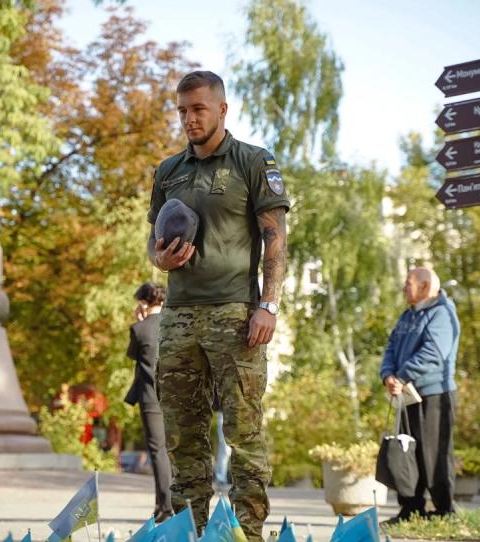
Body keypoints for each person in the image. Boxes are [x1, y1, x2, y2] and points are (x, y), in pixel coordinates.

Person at [146, 70, 290, 541]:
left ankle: (247, 534)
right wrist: (159, 257)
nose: (189, 119)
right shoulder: (168, 172)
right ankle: (192, 532)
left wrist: (268, 305)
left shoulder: (252, 161)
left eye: (198, 109)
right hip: (178, 319)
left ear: (222, 109)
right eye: (183, 110)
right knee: (183, 438)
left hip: (235, 315)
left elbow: (275, 239)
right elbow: (152, 245)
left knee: (243, 434)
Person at [379, 267, 460, 522]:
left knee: (434, 454)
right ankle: (411, 508)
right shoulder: (408, 316)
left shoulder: (442, 314)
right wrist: (388, 375)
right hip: (407, 395)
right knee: (407, 452)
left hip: (435, 395)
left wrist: (401, 376)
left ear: (425, 287)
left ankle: (444, 510)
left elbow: (433, 354)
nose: (404, 288)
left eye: (408, 283)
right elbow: (391, 347)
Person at [124, 282, 173, 522]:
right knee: (173, 450)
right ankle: (170, 503)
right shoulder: (173, 326)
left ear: (143, 302)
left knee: (158, 451)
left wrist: (140, 319)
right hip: (174, 396)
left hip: (151, 398)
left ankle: (165, 506)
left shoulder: (140, 329)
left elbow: (133, 354)